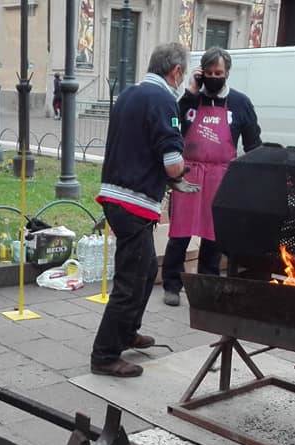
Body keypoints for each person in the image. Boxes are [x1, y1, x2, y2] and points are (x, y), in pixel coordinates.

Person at [91, 43, 195, 378]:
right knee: (131, 280)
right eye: (183, 74)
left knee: (148, 268)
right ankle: (105, 355)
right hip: (133, 201)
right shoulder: (164, 100)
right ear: (176, 71)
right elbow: (172, 162)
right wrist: (181, 175)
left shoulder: (129, 95)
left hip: (116, 195)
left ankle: (127, 331)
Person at [161, 47, 262, 307]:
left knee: (212, 235)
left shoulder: (240, 103)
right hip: (189, 173)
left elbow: (253, 144)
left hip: (221, 176)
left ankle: (207, 285)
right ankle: (172, 284)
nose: (214, 77)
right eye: (208, 72)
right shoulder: (191, 100)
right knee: (180, 233)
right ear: (200, 73)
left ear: (227, 73)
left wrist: (253, 177)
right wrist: (191, 94)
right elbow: (173, 125)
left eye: (219, 72)